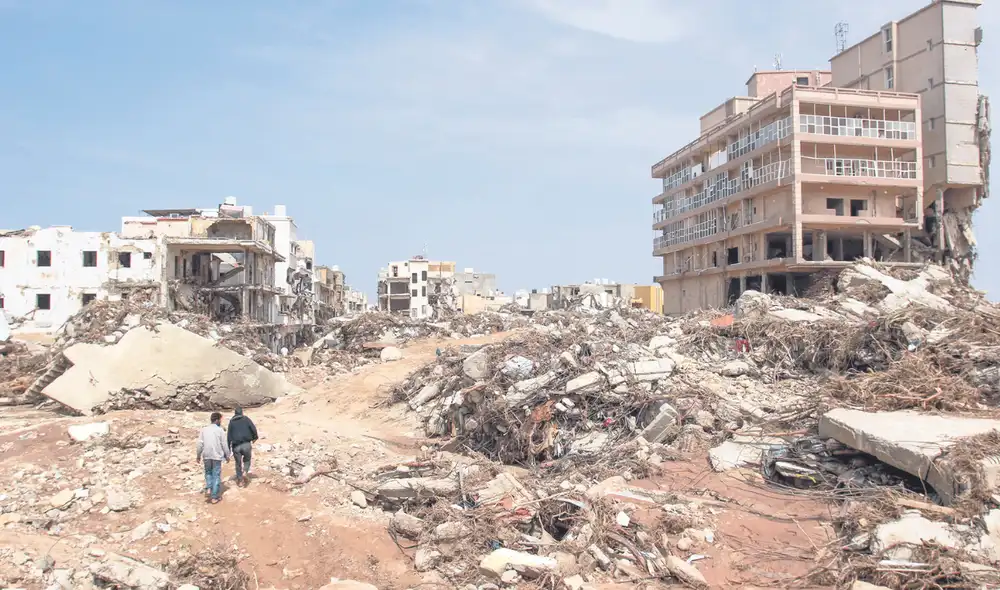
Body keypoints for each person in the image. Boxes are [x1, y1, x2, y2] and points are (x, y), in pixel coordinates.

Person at [196, 412, 231, 503]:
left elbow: (200, 444)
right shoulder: (220, 430)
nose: (220, 421)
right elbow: (224, 444)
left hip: (206, 455)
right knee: (216, 474)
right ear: (217, 420)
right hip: (216, 455)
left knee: (208, 472)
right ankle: (214, 497)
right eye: (220, 420)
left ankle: (209, 487)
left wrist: (198, 455)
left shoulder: (204, 430)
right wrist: (227, 455)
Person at [227, 406, 258, 487]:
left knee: (238, 463)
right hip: (246, 444)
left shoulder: (231, 422)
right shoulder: (246, 419)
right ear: (241, 412)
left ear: (235, 413)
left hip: (236, 446)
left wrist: (228, 449)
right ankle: (245, 471)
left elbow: (228, 436)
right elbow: (253, 428)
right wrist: (255, 437)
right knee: (247, 459)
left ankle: (240, 480)